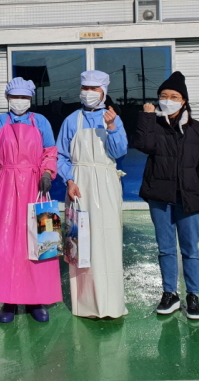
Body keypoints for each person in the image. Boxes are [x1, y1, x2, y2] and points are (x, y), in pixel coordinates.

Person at [129, 71, 199, 320]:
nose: (168, 100)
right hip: (160, 197)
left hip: (189, 197)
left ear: (184, 101)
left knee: (191, 249)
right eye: (164, 96)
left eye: (174, 96)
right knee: (166, 248)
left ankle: (193, 295)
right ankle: (170, 293)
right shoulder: (153, 125)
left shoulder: (197, 129)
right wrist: (147, 117)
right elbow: (143, 145)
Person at [0, 78, 60, 322]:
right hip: (7, 186)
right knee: (6, 241)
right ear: (8, 98)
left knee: (39, 240)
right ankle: (8, 300)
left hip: (35, 185)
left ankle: (36, 299)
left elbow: (50, 151)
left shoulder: (40, 121)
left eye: (24, 97)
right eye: (15, 97)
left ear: (30, 99)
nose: (20, 101)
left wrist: (47, 172)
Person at [56, 70, 128, 319]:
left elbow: (119, 152)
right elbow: (61, 155)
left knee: (108, 239)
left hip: (106, 182)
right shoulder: (71, 120)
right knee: (80, 241)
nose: (89, 93)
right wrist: (69, 180)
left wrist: (112, 127)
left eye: (94, 89)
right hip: (79, 185)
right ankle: (85, 303)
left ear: (104, 92)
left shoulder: (112, 118)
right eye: (85, 88)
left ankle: (110, 303)